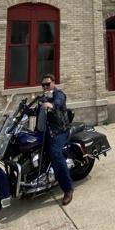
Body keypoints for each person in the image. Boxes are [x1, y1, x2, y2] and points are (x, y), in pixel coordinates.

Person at [36, 74, 73, 206]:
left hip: (58, 131)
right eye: (43, 85)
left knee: (56, 156)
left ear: (53, 83)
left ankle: (68, 189)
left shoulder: (59, 94)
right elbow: (37, 110)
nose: (45, 86)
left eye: (48, 84)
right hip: (44, 131)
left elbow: (58, 103)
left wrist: (51, 105)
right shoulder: (42, 98)